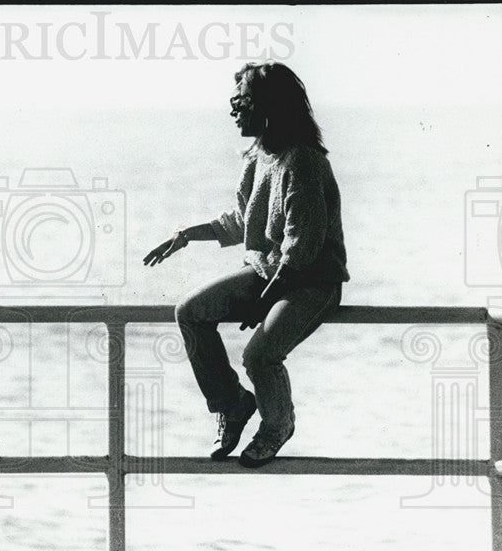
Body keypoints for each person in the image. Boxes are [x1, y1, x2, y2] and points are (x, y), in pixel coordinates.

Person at [143, 62, 349, 468]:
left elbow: (301, 246)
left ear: (269, 106)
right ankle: (233, 405)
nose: (234, 110)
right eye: (233, 101)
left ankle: (277, 424)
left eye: (241, 101)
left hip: (311, 282)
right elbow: (243, 219)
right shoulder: (259, 156)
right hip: (267, 273)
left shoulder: (303, 162)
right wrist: (186, 234)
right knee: (191, 311)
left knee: (259, 356)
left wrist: (264, 302)